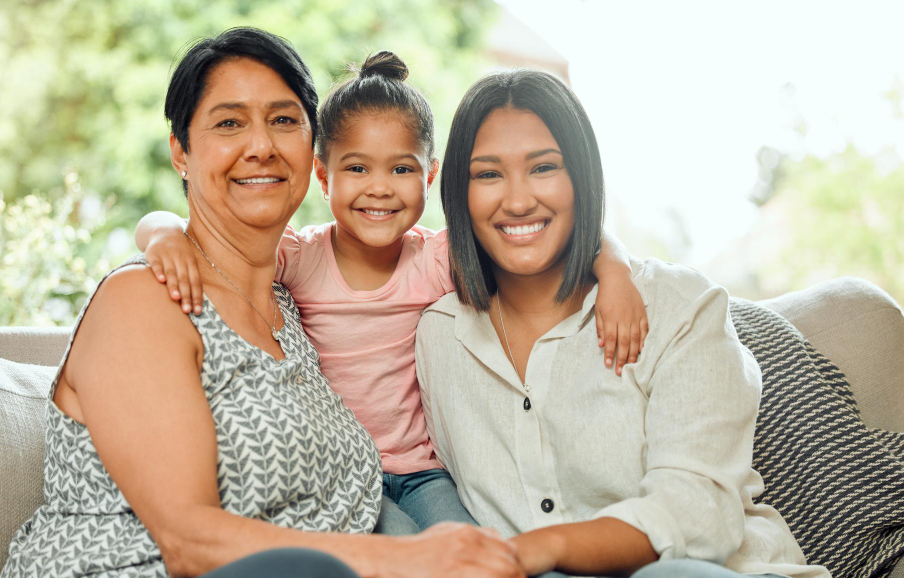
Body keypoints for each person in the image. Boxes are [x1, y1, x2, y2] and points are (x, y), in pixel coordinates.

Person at [0, 28, 534, 578]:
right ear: (181, 152)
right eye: (230, 123)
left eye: (284, 120)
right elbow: (187, 539)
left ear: (311, 151)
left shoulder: (296, 308)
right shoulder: (147, 298)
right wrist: (402, 558)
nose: (261, 146)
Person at [415, 69, 865, 578]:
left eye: (545, 167)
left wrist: (538, 548)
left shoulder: (677, 306)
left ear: (583, 179)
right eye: (487, 174)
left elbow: (696, 514)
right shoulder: (438, 337)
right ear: (457, 194)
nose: (517, 198)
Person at [135, 51, 648, 537]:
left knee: (471, 548)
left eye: (401, 169)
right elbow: (179, 227)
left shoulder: (436, 258)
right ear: (322, 176)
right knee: (410, 558)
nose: (380, 188)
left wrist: (617, 275)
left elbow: (561, 237)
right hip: (343, 473)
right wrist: (162, 236)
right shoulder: (299, 257)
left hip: (425, 470)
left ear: (430, 175)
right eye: (357, 168)